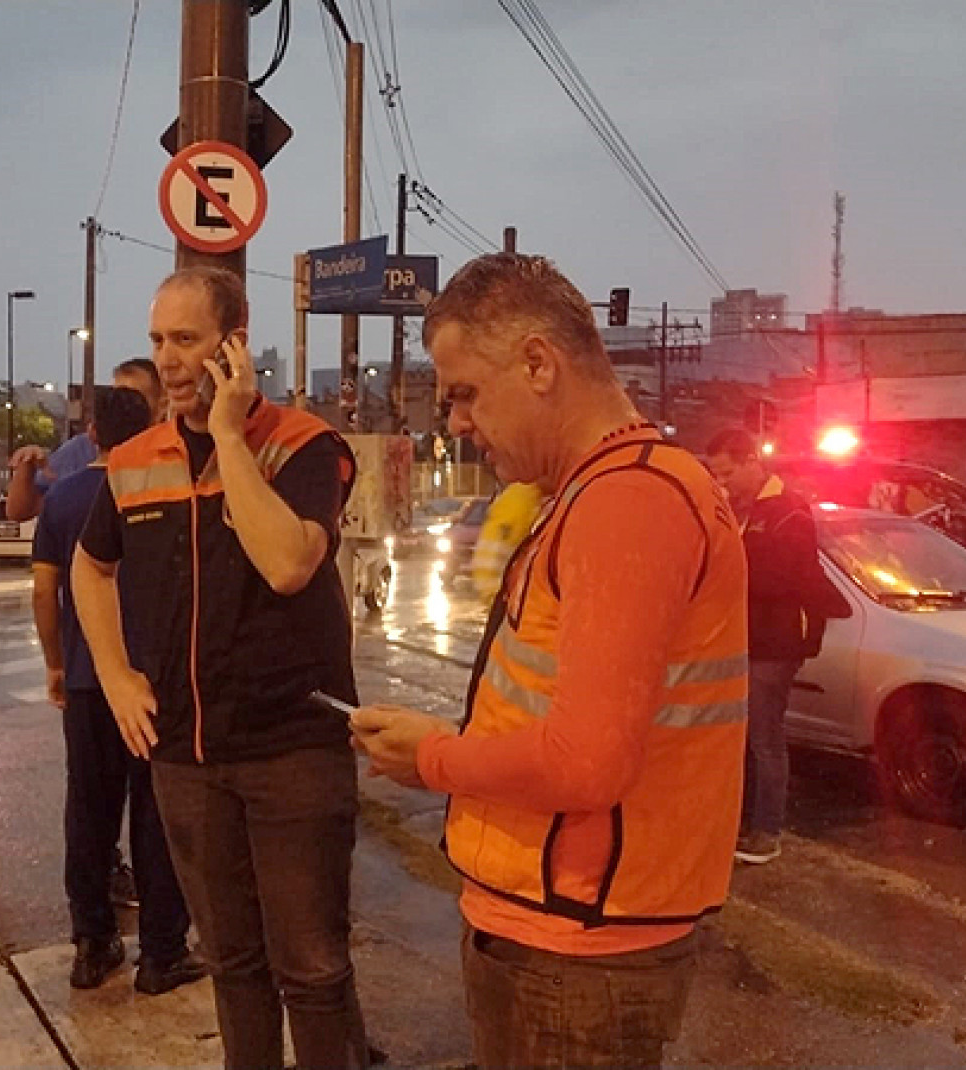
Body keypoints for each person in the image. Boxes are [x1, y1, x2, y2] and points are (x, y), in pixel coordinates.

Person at [350, 253, 748, 1070]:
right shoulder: (602, 490)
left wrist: (430, 757)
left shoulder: (625, 503)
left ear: (537, 363)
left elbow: (588, 764)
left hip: (576, 948)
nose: (453, 421)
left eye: (462, 391)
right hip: (561, 927)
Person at [72, 267, 370, 1070]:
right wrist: (115, 673)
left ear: (232, 342)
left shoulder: (303, 445)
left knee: (309, 967)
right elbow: (88, 568)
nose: (167, 361)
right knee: (234, 967)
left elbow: (284, 565)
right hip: (185, 757)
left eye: (187, 340)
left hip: (292, 749)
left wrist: (231, 437)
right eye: (158, 341)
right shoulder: (136, 462)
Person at [33, 386, 204, 996]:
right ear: (150, 428)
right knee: (158, 819)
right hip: (155, 684)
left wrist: (57, 663)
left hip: (87, 680)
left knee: (88, 814)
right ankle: (161, 952)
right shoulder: (165, 486)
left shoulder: (66, 497)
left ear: (94, 434)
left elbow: (44, 593)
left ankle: (91, 941)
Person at [705, 428, 849, 866]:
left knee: (765, 739)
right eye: (716, 475)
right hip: (742, 639)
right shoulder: (737, 508)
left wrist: (735, 570)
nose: (723, 481)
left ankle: (766, 831)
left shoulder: (788, 511)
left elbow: (786, 578)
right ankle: (743, 821)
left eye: (728, 472)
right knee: (743, 737)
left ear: (752, 461)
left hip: (774, 643)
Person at [6, 358, 164, 522]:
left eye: (132, 398)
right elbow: (19, 512)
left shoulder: (173, 450)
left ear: (161, 406)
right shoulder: (80, 450)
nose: (121, 404)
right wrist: (27, 467)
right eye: (115, 395)